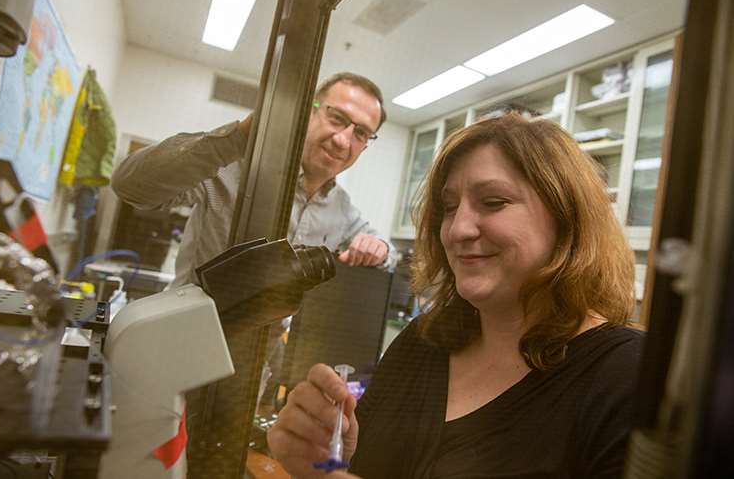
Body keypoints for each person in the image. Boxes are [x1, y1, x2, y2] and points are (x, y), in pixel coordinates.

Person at [267, 112, 644, 478]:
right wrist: (332, 456)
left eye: (493, 202)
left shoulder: (630, 375)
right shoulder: (421, 342)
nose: (457, 229)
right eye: (449, 208)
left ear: (566, 217)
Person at [111, 72, 397, 290]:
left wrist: (380, 249)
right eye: (336, 118)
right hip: (190, 345)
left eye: (360, 133)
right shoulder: (231, 166)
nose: (342, 140)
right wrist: (237, 139)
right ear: (309, 110)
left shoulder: (343, 209)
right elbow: (128, 185)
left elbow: (389, 254)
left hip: (264, 361)